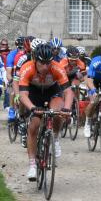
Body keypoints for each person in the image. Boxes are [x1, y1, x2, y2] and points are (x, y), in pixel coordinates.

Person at [17, 43, 74, 179]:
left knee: (58, 112)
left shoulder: (57, 68)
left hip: (51, 91)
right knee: (34, 126)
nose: (45, 67)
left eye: (48, 63)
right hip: (34, 94)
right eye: (42, 63)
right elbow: (23, 95)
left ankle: (54, 138)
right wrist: (32, 108)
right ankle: (32, 165)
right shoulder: (27, 68)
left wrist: (66, 108)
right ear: (36, 60)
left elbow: (68, 91)